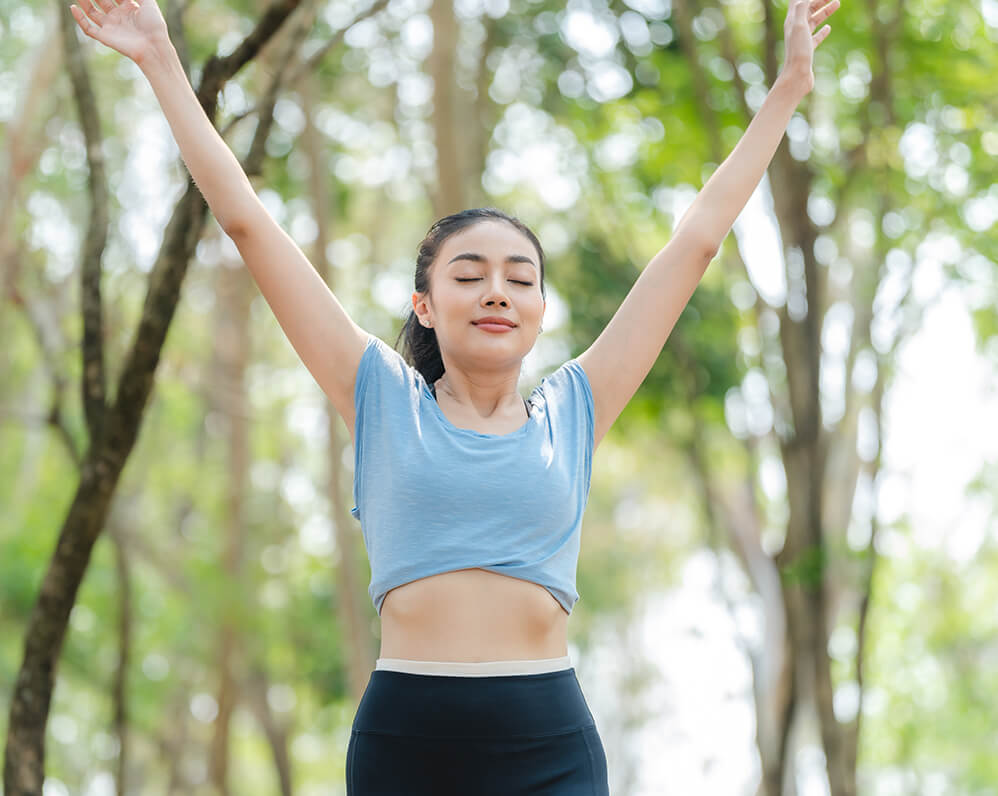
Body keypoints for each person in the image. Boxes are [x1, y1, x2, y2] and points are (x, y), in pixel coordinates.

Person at [70, 0, 839, 792]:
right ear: (426, 306)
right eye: (469, 276)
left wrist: (784, 92)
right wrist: (161, 58)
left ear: (541, 310)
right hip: (409, 738)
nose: (497, 292)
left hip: (550, 739)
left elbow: (696, 241)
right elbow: (247, 223)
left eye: (520, 279)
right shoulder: (379, 396)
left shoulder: (576, 408)